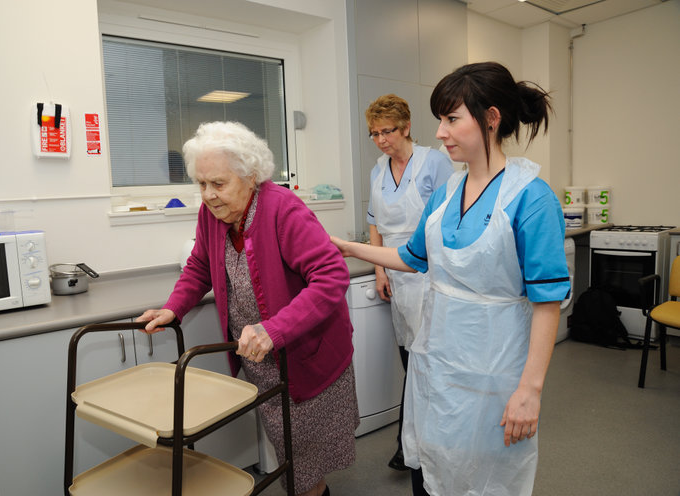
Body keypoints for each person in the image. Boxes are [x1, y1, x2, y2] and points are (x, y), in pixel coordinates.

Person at [332, 62, 570, 496]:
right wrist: (348, 247)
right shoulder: (445, 194)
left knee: (487, 475)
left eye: (451, 119)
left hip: (497, 370)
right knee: (433, 467)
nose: (440, 132)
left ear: (491, 119)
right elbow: (412, 257)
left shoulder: (532, 199)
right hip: (437, 363)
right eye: (440, 120)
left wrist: (530, 391)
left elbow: (547, 301)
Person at [138, 121, 358, 496]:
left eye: (218, 183)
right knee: (290, 454)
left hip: (306, 357)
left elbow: (332, 276)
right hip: (263, 361)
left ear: (251, 176)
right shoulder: (213, 213)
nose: (208, 195)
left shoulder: (283, 210)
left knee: (303, 462)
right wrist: (173, 308)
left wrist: (274, 330)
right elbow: (200, 267)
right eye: (202, 184)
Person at [364, 94, 453, 471]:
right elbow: (374, 221)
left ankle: (422, 446)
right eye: (373, 133)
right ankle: (413, 444)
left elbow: (450, 218)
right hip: (397, 278)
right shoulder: (378, 170)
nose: (381, 140)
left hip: (431, 275)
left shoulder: (434, 162)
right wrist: (379, 270)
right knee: (411, 363)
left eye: (387, 131)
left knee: (430, 363)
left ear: (406, 127)